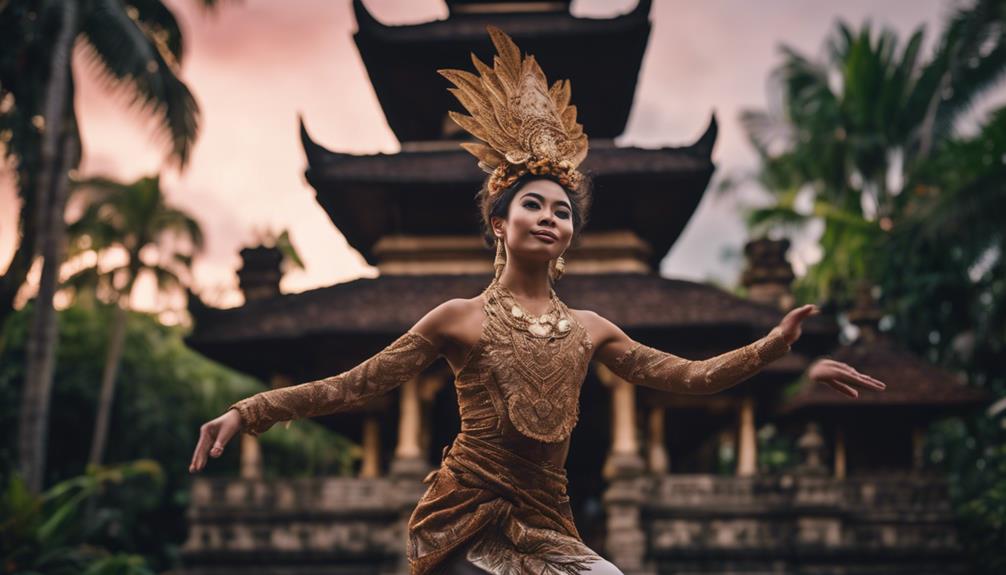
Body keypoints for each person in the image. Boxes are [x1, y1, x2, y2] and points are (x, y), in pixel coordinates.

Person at [189, 25, 886, 575]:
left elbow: (690, 376)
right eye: (533, 203)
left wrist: (780, 348)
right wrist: (248, 410)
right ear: (499, 221)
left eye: (563, 208)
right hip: (463, 518)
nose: (552, 216)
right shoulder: (457, 317)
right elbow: (353, 384)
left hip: (548, 525)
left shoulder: (590, 328)